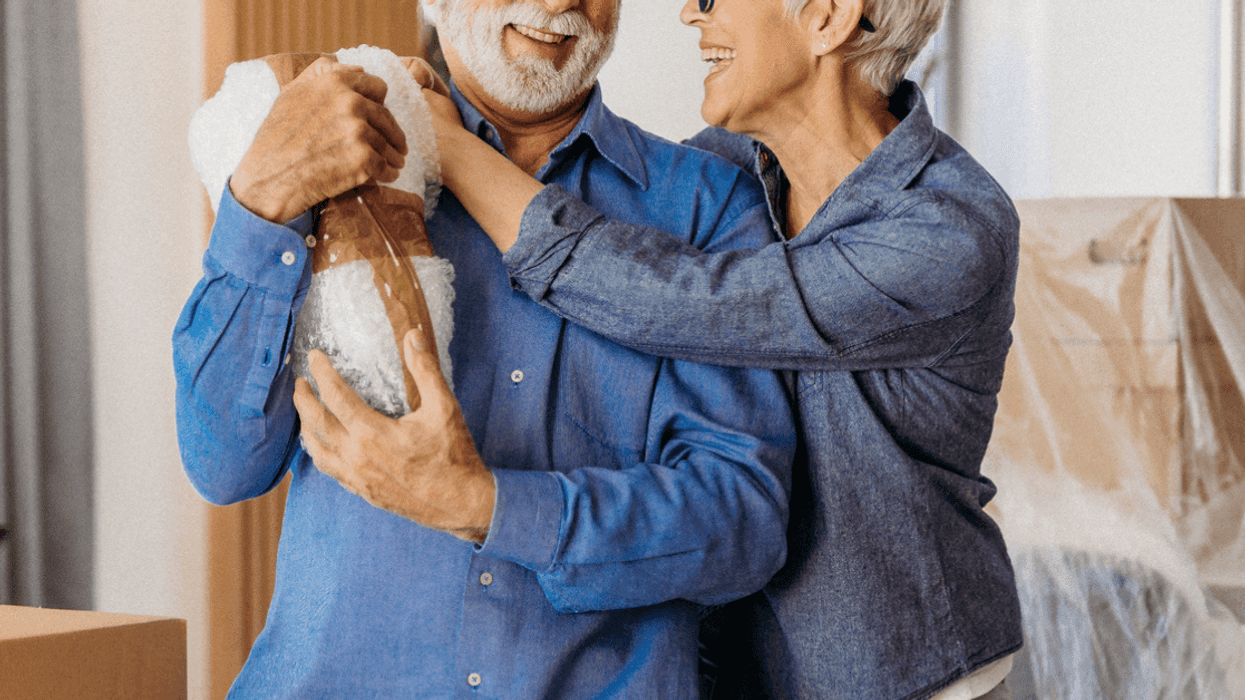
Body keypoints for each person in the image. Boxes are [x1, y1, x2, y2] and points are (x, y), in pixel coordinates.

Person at [172, 0, 799, 696]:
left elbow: (742, 525)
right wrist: (262, 196)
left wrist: (486, 505)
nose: (560, 2)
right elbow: (223, 465)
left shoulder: (706, 206)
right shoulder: (326, 148)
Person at [416, 0, 1025, 698]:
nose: (689, 13)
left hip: (908, 679)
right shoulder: (722, 173)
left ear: (827, 17)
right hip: (744, 673)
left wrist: (451, 149)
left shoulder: (948, 229)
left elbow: (677, 300)